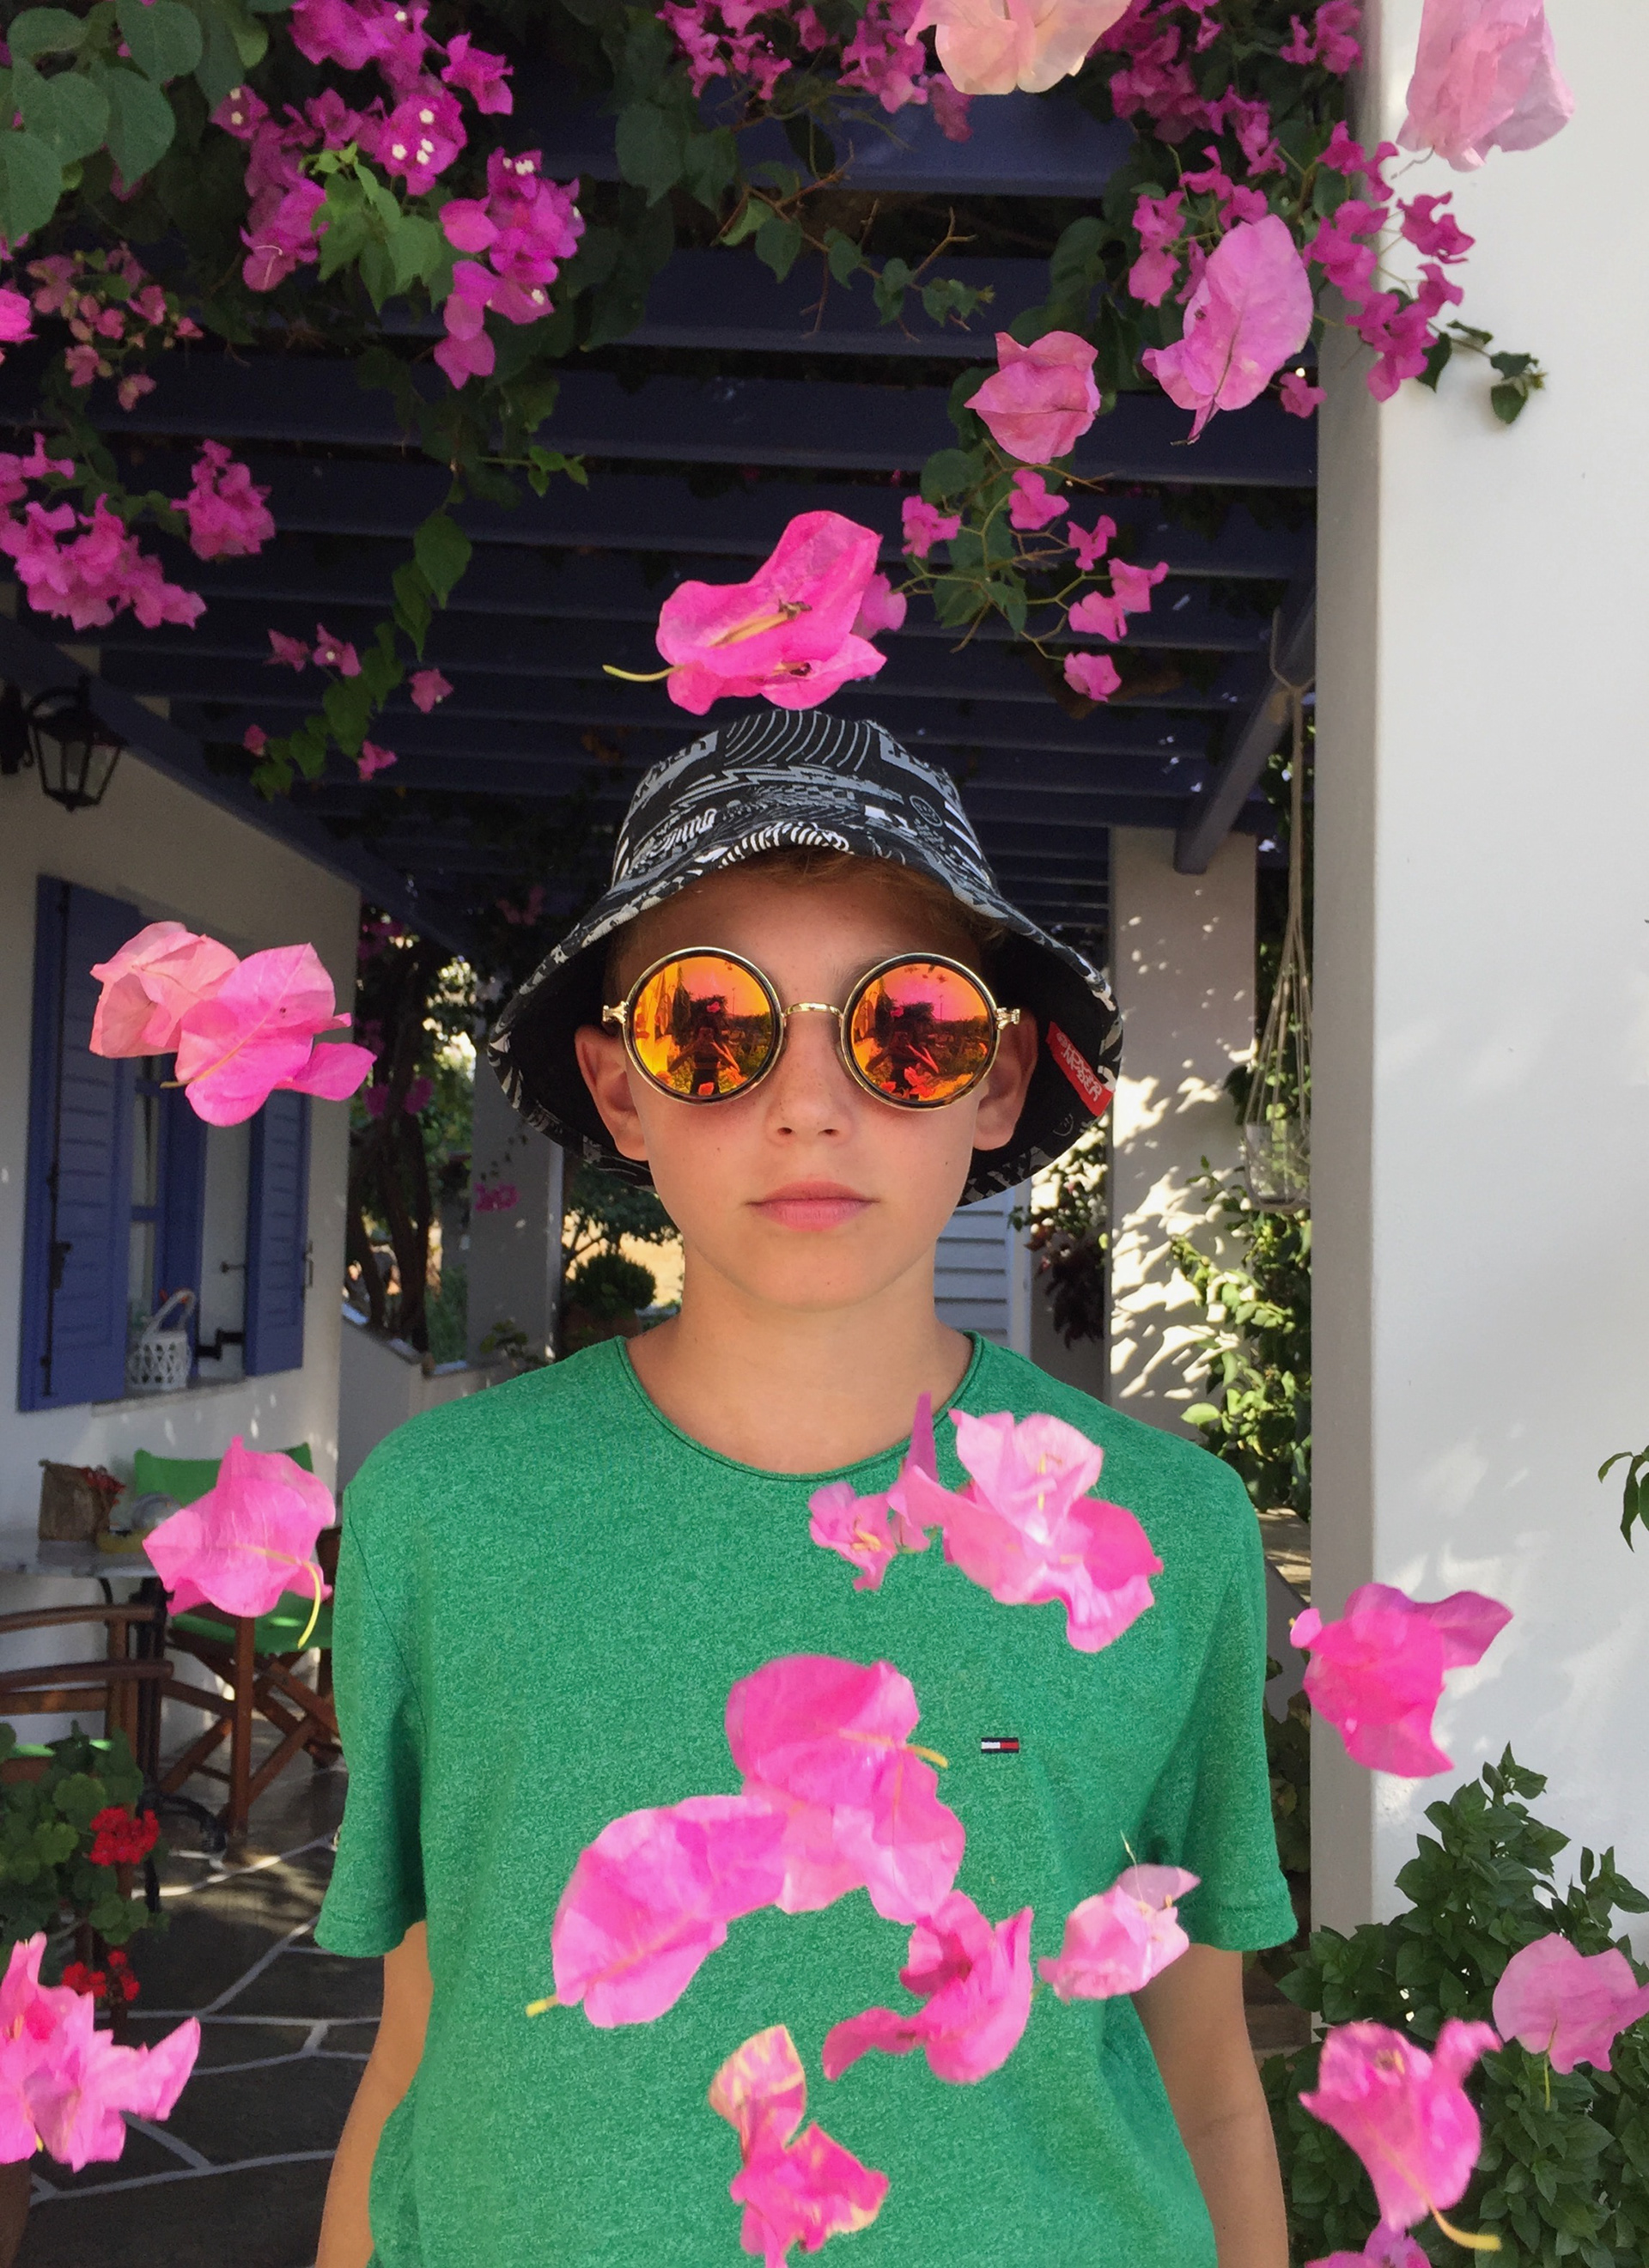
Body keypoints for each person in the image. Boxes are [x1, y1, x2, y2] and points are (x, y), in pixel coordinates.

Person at [315, 710, 1294, 2268]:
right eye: (711, 1026)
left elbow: (1207, 2080)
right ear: (619, 1088)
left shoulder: (1165, 1536)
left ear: (998, 1082)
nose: (810, 1104)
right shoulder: (441, 1517)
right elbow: (423, 2042)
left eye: (910, 1025)